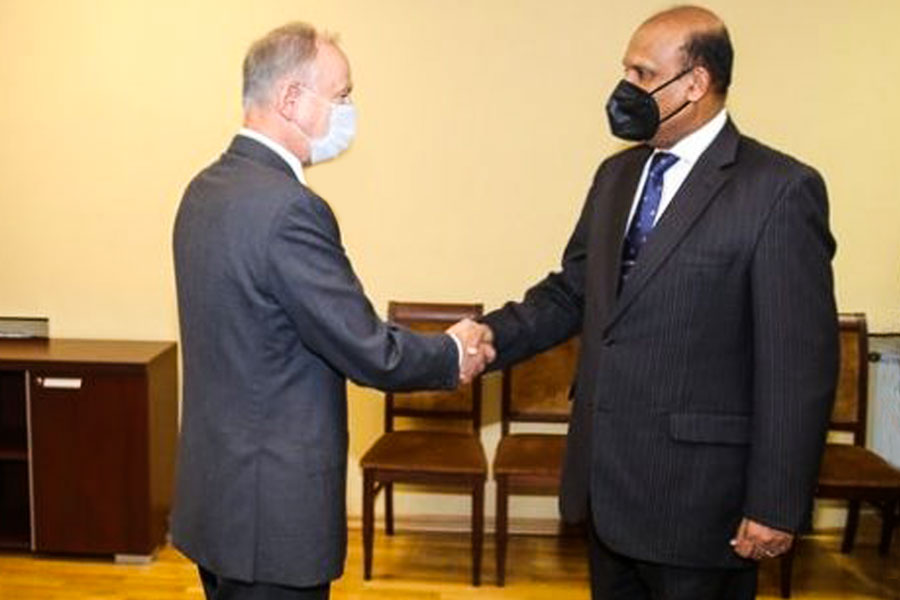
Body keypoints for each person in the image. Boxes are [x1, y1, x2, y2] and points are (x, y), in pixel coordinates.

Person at [477, 6, 839, 599]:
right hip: (607, 488)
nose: (625, 90)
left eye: (642, 75)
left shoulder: (779, 189)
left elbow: (798, 364)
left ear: (694, 84)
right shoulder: (616, 176)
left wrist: (775, 502)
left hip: (701, 506)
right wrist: (483, 338)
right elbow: (574, 290)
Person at [171, 23, 493, 600]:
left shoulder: (204, 190)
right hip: (272, 519)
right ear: (292, 99)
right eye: (342, 96)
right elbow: (368, 348)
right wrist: (452, 352)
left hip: (217, 503)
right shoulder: (290, 209)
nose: (349, 112)